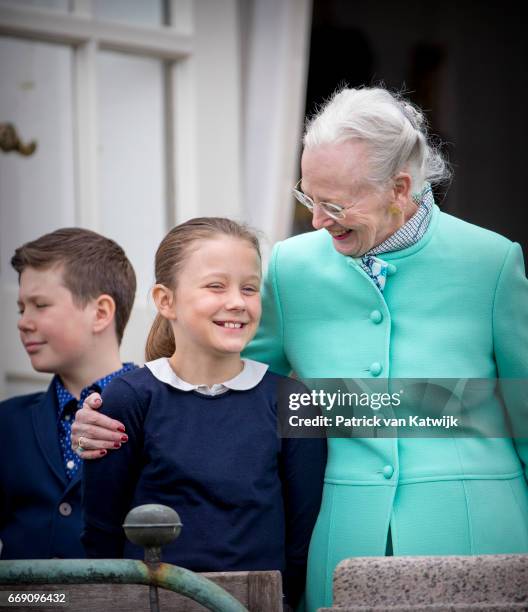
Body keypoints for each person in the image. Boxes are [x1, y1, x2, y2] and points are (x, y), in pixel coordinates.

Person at [72, 87, 528, 611]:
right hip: (342, 540)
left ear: (400, 188)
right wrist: (114, 411)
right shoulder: (291, 267)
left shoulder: (491, 261)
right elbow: (226, 381)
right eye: (308, 197)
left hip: (477, 533)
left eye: (334, 204)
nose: (316, 220)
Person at [80, 218, 326, 609]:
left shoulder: (292, 400)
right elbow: (102, 530)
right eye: (216, 286)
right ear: (165, 300)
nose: (237, 302)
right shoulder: (128, 399)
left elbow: (302, 537)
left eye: (249, 288)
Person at [0, 228, 137, 559]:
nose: (23, 322)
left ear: (101, 313)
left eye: (40, 305)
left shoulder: (160, 412)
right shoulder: (6, 423)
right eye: (22, 309)